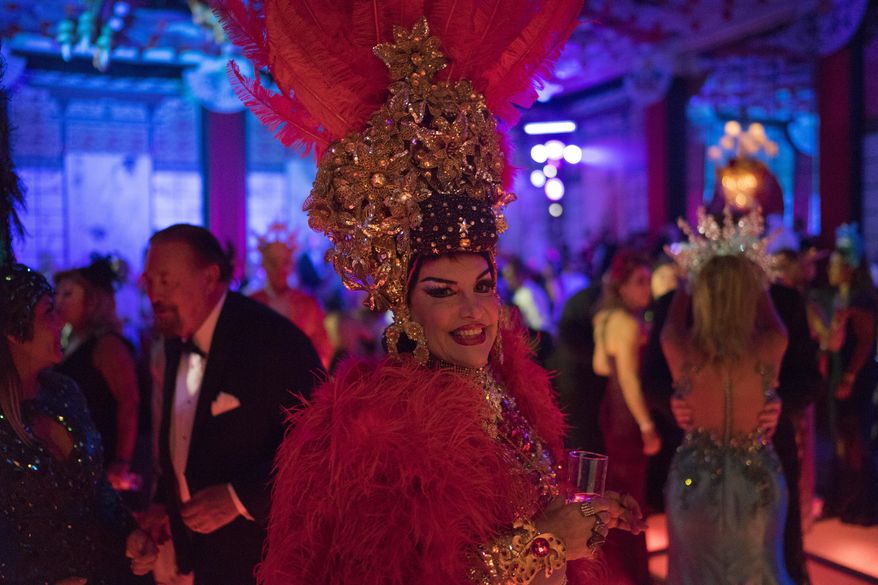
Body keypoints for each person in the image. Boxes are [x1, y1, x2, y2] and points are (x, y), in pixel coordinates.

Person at [215, 3, 644, 584]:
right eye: (444, 291)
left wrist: (576, 514)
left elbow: (520, 513)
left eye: (483, 286)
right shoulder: (375, 431)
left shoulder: (504, 391)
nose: (473, 311)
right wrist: (541, 545)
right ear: (403, 301)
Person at [129, 224, 324, 585]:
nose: (154, 293)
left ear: (210, 277)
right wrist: (162, 504)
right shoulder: (177, 338)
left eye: (166, 280)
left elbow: (318, 449)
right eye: (150, 281)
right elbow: (184, 437)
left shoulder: (273, 342)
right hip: (194, 558)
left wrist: (238, 498)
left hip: (257, 561)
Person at [661, 208, 792, 585]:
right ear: (750, 295)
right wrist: (756, 280)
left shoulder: (680, 349)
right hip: (756, 483)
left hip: (694, 484)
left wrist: (688, 281)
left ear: (699, 294)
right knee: (759, 569)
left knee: (693, 574)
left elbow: (671, 324)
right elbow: (773, 321)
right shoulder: (770, 346)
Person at [0, 263, 139, 584]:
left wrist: (129, 534)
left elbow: (95, 488)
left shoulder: (64, 392)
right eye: (48, 311)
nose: (61, 319)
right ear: (14, 330)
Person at [591, 249, 659, 585]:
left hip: (610, 413)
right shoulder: (626, 324)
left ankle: (619, 573)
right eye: (640, 282)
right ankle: (634, 575)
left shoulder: (604, 319)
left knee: (618, 496)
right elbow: (630, 381)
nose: (647, 289)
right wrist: (647, 425)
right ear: (622, 286)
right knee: (632, 501)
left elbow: (599, 366)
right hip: (626, 419)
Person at [54, 256, 142, 492]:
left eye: (68, 294)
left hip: (105, 455)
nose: (58, 301)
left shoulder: (107, 345)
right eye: (58, 293)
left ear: (92, 300)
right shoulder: (71, 340)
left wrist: (122, 461)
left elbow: (129, 402)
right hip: (80, 456)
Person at [818, 224, 878, 526]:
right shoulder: (838, 298)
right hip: (841, 377)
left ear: (850, 266)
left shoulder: (861, 299)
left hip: (856, 379)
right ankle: (845, 500)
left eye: (834, 263)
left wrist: (850, 377)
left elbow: (866, 342)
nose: (829, 268)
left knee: (856, 440)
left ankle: (863, 505)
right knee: (842, 439)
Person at [250, 222, 334, 369]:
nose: (280, 269)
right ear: (263, 264)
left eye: (285, 262)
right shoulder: (252, 305)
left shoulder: (308, 305)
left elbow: (323, 348)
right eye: (273, 262)